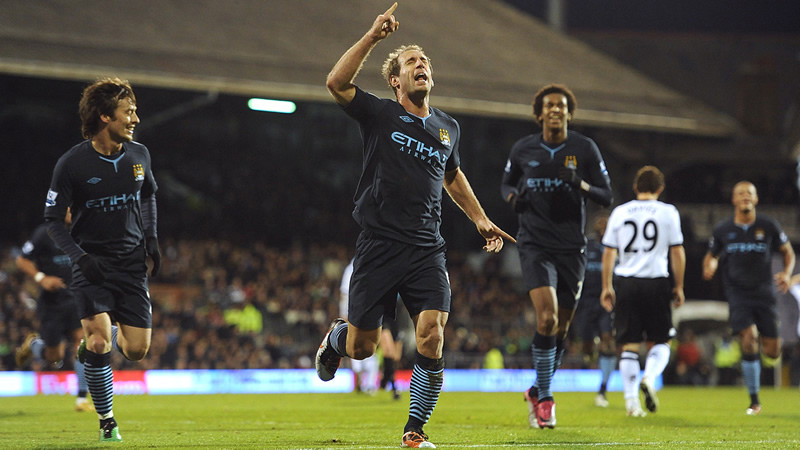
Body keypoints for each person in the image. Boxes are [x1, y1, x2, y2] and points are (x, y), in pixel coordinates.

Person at [316, 4, 515, 448]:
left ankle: (415, 429)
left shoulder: (447, 128)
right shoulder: (380, 114)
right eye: (411, 62)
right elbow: (336, 83)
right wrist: (373, 37)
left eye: (424, 61)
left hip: (426, 248)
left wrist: (480, 218)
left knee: (432, 333)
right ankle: (337, 337)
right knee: (363, 348)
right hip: (379, 244)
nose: (421, 64)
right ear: (396, 80)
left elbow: (452, 175)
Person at [43, 77, 161, 442]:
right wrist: (79, 258)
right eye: (129, 112)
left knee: (136, 350)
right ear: (105, 116)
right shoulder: (72, 164)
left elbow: (148, 195)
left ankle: (103, 334)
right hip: (91, 265)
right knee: (98, 344)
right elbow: (52, 219)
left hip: (131, 265)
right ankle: (107, 421)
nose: (135, 119)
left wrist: (152, 238)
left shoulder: (139, 155)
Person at [501, 83, 612, 428]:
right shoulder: (523, 148)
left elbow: (606, 195)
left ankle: (536, 389)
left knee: (561, 328)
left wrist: (580, 184)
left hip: (571, 247)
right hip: (534, 244)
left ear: (569, 113)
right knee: (546, 318)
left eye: (561, 106)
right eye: (549, 105)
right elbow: (506, 184)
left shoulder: (584, 148)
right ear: (539, 114)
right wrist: (513, 199)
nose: (555, 110)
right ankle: (547, 399)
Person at [702, 181, 794, 416]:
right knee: (749, 336)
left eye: (749, 194)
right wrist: (710, 265)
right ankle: (754, 401)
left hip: (765, 294)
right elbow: (711, 256)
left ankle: (758, 352)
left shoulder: (768, 226)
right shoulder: (723, 230)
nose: (745, 197)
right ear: (734, 199)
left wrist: (786, 273)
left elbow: (788, 252)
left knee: (773, 351)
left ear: (756, 199)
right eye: (741, 193)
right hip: (738, 294)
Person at [600, 165, 685, 417]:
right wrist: (679, 286)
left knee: (629, 345)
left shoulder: (620, 212)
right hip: (656, 280)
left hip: (627, 282)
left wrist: (606, 286)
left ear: (636, 187)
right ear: (660, 188)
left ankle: (631, 404)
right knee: (662, 340)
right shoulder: (668, 212)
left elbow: (609, 252)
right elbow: (677, 251)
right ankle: (649, 377)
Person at [14, 209, 94, 412]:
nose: (71, 211)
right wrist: (41, 278)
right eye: (68, 207)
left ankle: (82, 398)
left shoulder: (82, 232)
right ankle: (34, 344)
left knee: (81, 342)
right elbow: (22, 260)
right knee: (54, 356)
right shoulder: (45, 233)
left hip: (76, 298)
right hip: (52, 303)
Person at [570, 213, 616, 407]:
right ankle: (590, 350)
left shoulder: (616, 247)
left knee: (608, 341)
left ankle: (603, 389)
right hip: (586, 301)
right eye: (601, 227)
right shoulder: (585, 246)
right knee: (587, 344)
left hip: (606, 301)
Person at [339, 258, 380, 395]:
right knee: (361, 346)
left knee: (362, 346)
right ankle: (365, 384)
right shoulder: (355, 267)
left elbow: (344, 294)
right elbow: (345, 294)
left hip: (363, 311)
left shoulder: (358, 266)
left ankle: (366, 384)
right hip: (359, 311)